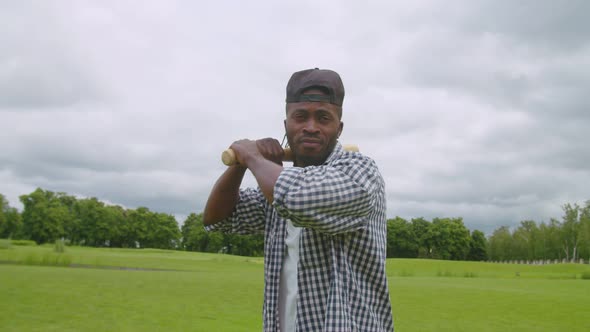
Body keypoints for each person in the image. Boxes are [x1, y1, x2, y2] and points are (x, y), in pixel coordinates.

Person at [203, 68, 394, 331]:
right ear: (286, 125)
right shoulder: (276, 185)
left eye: (323, 118)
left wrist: (252, 157)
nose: (311, 127)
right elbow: (218, 218)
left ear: (338, 128)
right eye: (300, 117)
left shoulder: (360, 173)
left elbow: (297, 198)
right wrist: (239, 165)